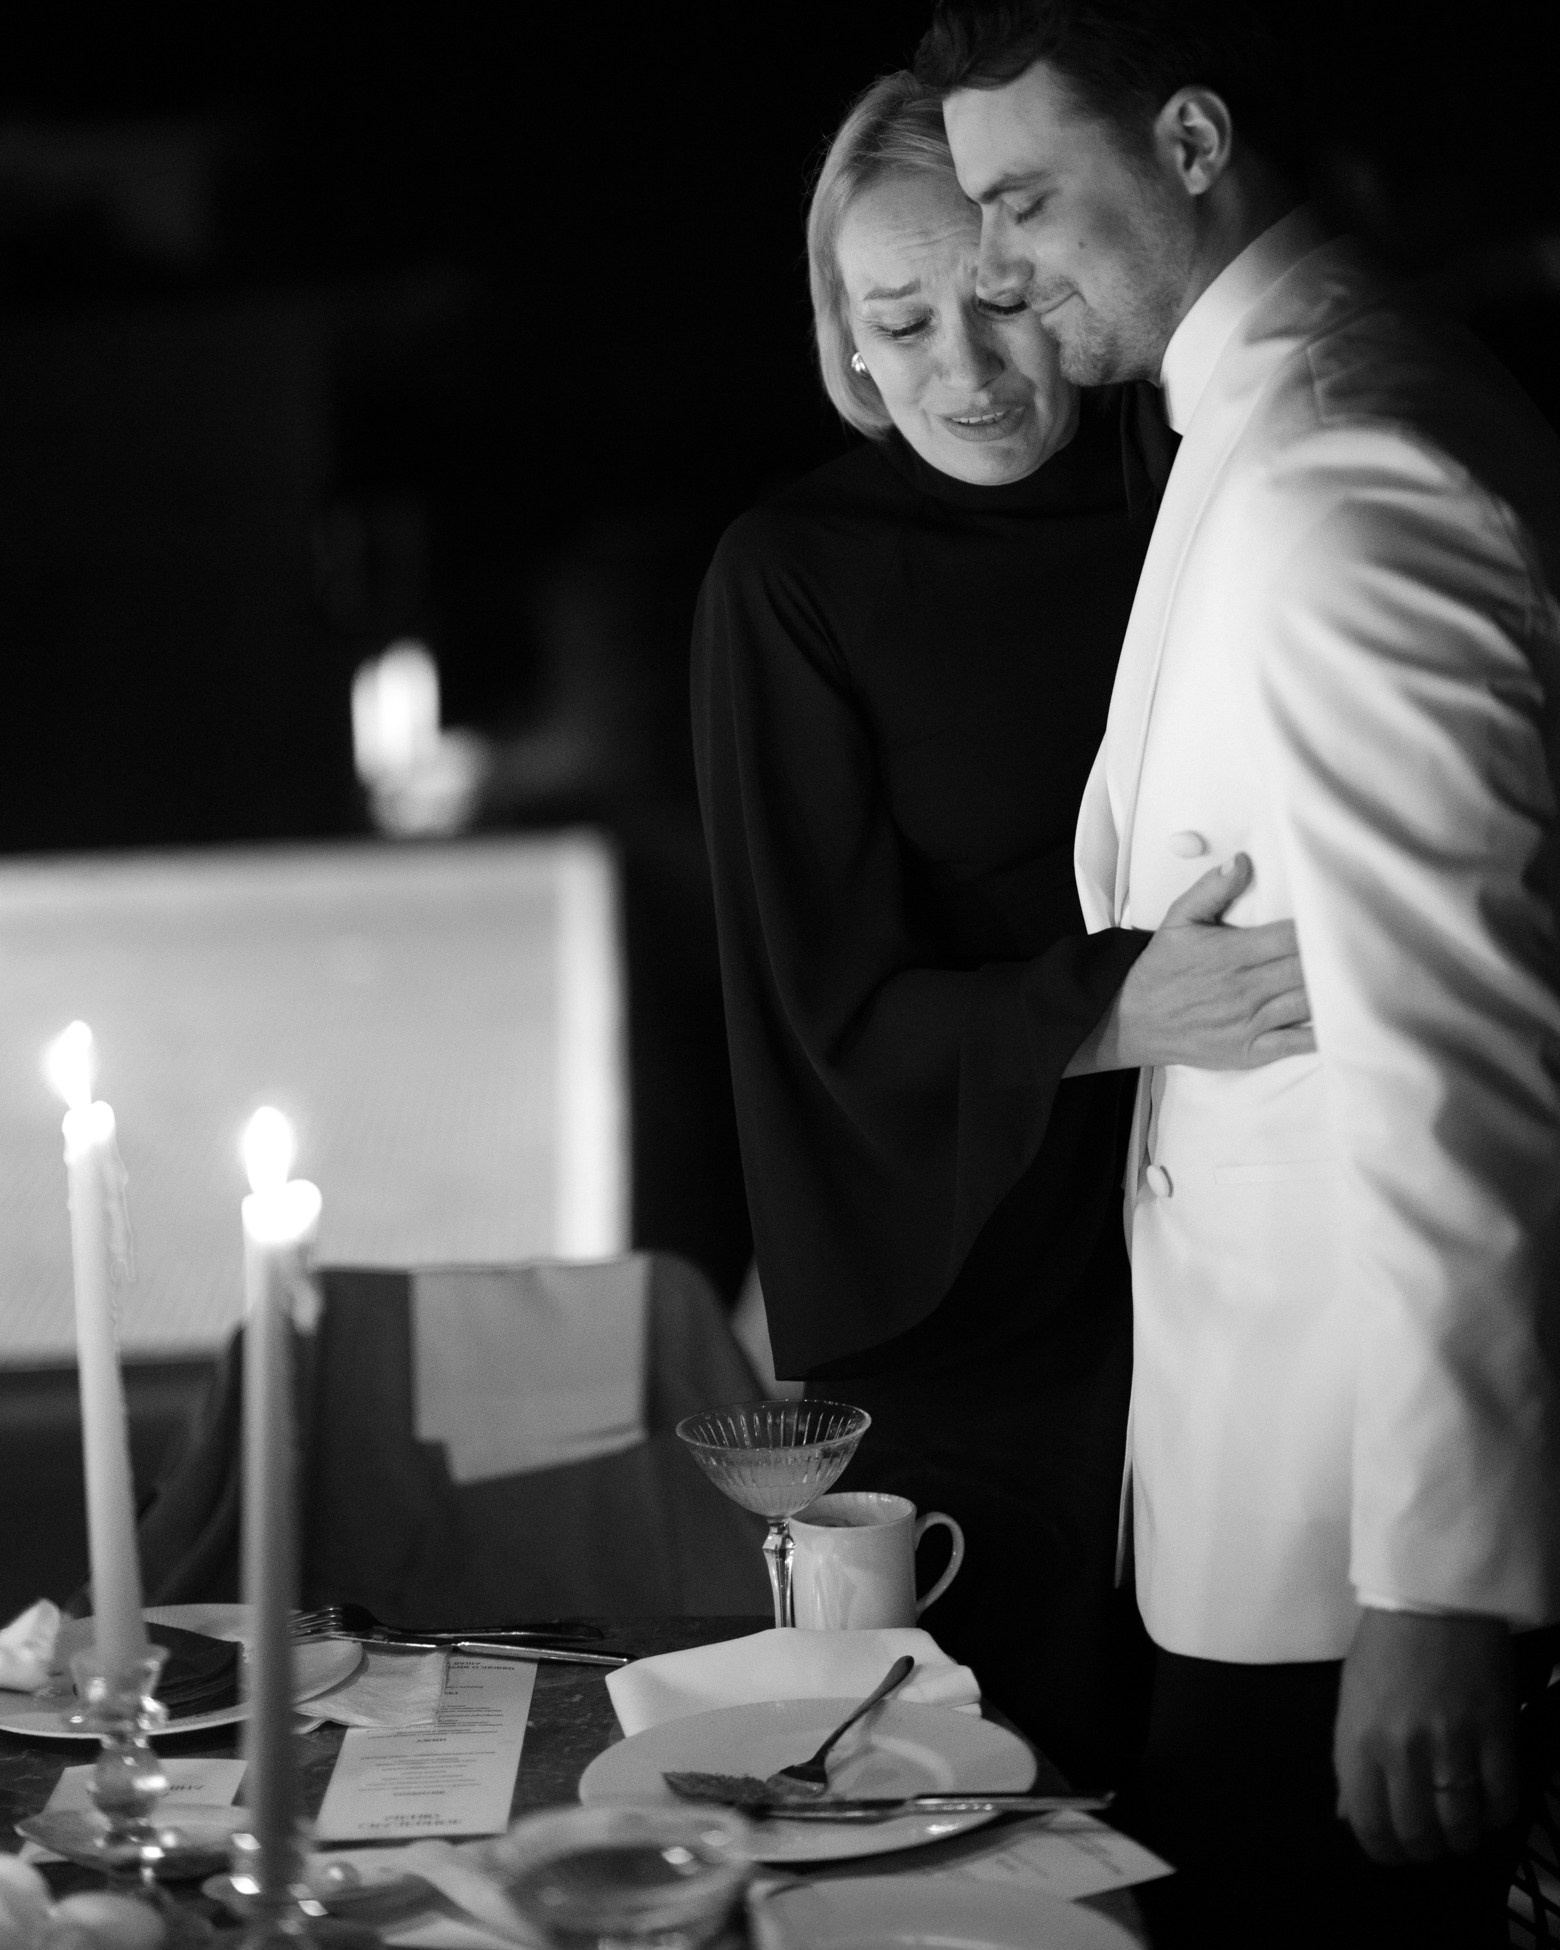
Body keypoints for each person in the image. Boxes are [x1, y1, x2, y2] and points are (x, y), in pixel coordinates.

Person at [921, 2, 1560, 1943]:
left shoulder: (1340, 469)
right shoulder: (1259, 424)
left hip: (1348, 1545)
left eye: (1024, 200)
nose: (992, 269)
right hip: (1248, 1503)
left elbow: (1461, 1065)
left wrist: (1441, 1587)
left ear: (1191, 142)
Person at [690, 70, 1311, 1785]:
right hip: (967, 1293)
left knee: (1228, 1800)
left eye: (1002, 300)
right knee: (971, 1806)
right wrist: (1113, 1008)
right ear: (847, 339)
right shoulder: (791, 576)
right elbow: (817, 1016)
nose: (961, 369)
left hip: (1239, 1245)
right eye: (901, 321)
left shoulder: (1196, 484)